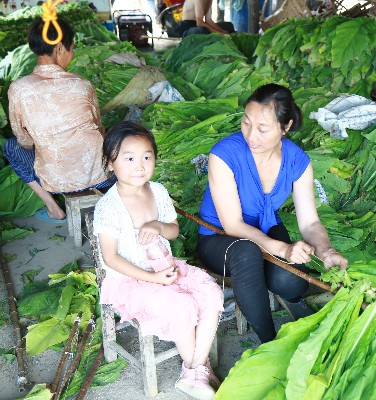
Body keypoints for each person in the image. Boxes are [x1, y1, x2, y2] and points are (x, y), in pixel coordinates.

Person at [196, 83, 348, 343]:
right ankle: (269, 341)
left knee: (290, 281)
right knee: (246, 253)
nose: (251, 135)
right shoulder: (224, 155)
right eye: (246, 122)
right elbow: (233, 226)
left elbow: (310, 222)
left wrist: (325, 250)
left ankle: (291, 299)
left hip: (266, 228)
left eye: (263, 129)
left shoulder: (297, 161)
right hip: (219, 238)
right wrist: (283, 250)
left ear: (285, 127)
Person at [93, 121, 223, 400]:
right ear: (110, 164)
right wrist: (153, 278)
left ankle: (193, 372)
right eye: (129, 159)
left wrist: (158, 226)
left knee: (211, 292)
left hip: (165, 266)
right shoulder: (108, 207)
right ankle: (198, 371)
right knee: (182, 306)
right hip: (131, 280)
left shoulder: (158, 191)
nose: (139, 166)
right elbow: (111, 258)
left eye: (146, 157)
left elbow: (173, 230)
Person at [3, 17, 114, 222]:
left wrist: (47, 142)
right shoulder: (82, 85)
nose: (72, 54)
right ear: (60, 48)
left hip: (55, 182)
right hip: (100, 177)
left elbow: (24, 141)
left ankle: (53, 206)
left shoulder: (18, 89)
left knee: (11, 146)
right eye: (72, 48)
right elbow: (99, 129)